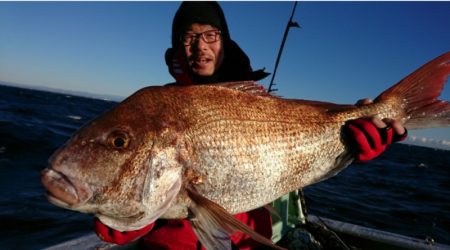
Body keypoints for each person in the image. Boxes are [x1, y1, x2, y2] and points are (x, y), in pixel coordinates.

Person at [94, 2, 407, 249]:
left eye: (210, 35)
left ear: (223, 43)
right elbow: (119, 232)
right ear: (177, 47)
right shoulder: (153, 111)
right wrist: (111, 203)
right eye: (188, 37)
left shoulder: (259, 106)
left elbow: (299, 158)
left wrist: (349, 143)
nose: (199, 46)